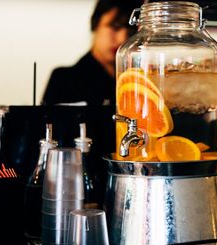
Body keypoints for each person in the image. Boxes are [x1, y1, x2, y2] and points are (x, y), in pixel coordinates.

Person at [42, 0, 144, 206]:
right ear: (95, 25)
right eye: (114, 26)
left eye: (131, 29)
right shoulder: (64, 78)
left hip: (134, 190)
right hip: (77, 194)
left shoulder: (141, 84)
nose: (123, 37)